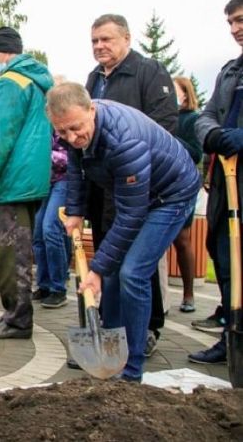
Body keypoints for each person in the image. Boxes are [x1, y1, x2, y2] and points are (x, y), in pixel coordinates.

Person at [53, 83, 199, 382]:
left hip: (172, 194)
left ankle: (132, 369)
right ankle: (111, 348)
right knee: (112, 270)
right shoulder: (73, 128)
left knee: (132, 273)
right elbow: (77, 167)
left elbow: (132, 215)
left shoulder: (124, 140)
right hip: (139, 194)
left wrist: (96, 270)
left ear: (91, 110)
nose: (71, 137)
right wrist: (76, 210)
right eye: (62, 132)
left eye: (76, 128)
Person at [85, 13, 178, 357]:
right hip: (104, 186)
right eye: (94, 41)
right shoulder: (94, 79)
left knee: (138, 264)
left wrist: (132, 163)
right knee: (108, 256)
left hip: (139, 183)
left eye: (106, 39)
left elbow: (165, 123)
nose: (99, 46)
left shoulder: (148, 72)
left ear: (126, 38)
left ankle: (148, 327)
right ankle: (113, 328)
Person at [0, 27, 53, 339]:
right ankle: (12, 311)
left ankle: (18, 319)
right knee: (18, 249)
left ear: (0, 52)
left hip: (14, 181)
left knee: (9, 253)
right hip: (30, 178)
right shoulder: (37, 81)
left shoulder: (10, 82)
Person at [189, 0, 243, 365]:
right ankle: (232, 335)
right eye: (231, 22)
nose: (235, 28)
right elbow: (206, 115)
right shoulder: (230, 72)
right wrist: (214, 135)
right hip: (227, 178)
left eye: (240, 20)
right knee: (224, 257)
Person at [169, 76, 203, 313]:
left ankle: (188, 293)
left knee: (182, 239)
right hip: (162, 182)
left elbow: (197, 153)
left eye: (175, 90)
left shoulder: (192, 119)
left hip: (184, 183)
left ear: (185, 94)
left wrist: (171, 137)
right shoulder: (165, 117)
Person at [31, 132, 71, 309]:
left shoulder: (62, 126)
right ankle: (44, 285)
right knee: (38, 234)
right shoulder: (38, 126)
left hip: (63, 180)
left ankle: (58, 288)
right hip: (44, 183)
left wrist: (42, 154)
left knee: (50, 228)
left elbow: (70, 159)